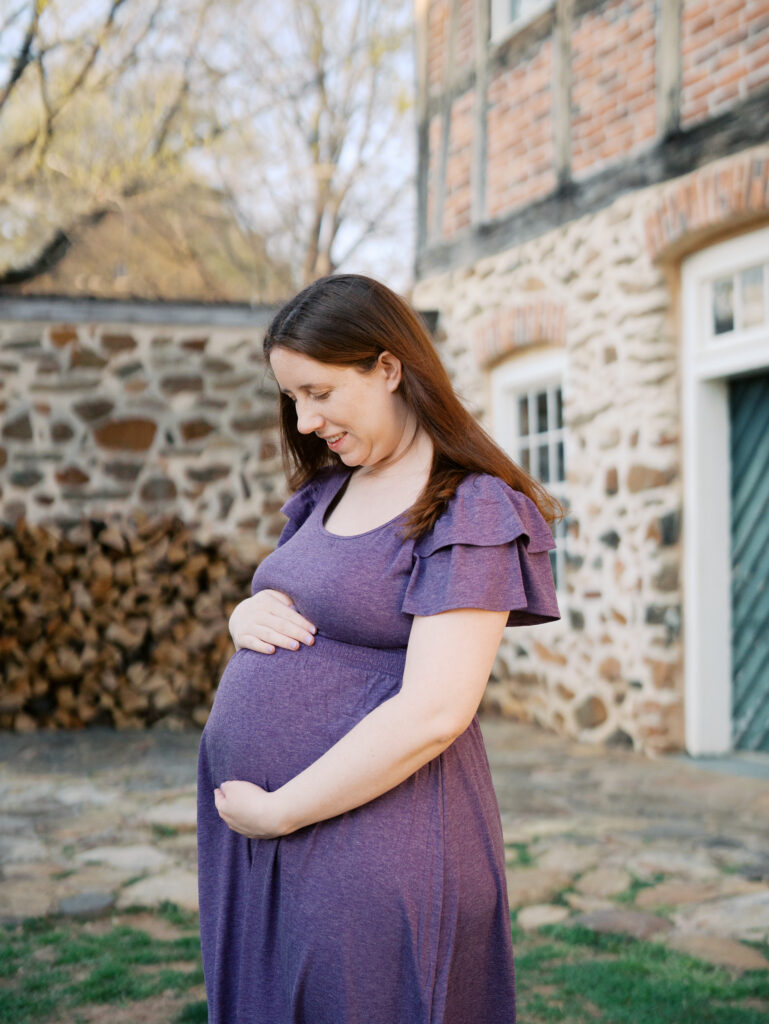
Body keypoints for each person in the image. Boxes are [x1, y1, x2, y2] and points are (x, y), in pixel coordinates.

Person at [196, 273, 562, 1024]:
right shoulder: (328, 490)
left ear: (389, 368)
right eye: (292, 398)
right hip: (269, 838)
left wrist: (282, 810)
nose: (305, 421)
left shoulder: (468, 508)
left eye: (319, 392)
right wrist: (245, 615)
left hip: (371, 843)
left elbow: (435, 711)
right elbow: (305, 597)